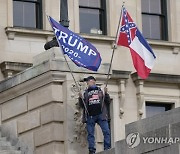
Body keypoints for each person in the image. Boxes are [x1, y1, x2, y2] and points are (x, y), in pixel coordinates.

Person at [79, 76, 111, 154]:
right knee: (90, 134)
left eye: (88, 81)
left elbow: (107, 101)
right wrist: (80, 98)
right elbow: (82, 105)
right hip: (90, 116)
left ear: (93, 81)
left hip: (101, 115)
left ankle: (107, 148)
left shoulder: (100, 90)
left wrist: (106, 94)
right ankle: (91, 150)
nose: (87, 83)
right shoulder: (85, 93)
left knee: (106, 131)